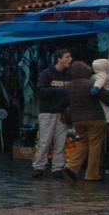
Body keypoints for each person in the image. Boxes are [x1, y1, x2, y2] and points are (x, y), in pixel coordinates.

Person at [63, 60, 109, 182]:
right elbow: (107, 99)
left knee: (82, 143)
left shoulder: (69, 86)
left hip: (77, 119)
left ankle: (71, 166)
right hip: (95, 117)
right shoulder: (91, 83)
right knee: (95, 145)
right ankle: (92, 174)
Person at [32, 49, 73, 178]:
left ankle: (57, 168)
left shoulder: (69, 75)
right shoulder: (47, 74)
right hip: (48, 111)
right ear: (59, 59)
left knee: (60, 141)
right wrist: (60, 90)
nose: (70, 59)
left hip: (62, 112)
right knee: (45, 141)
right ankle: (39, 167)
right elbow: (41, 92)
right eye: (67, 57)